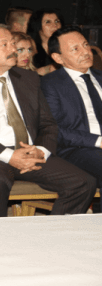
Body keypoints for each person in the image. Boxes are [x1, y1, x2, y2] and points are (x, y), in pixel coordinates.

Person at [0, 24, 96, 218]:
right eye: (4, 45)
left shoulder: (28, 78)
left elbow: (48, 124)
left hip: (30, 151)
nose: (13, 49)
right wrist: (10, 156)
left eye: (12, 43)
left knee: (83, 182)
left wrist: (41, 150)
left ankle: (56, 232)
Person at [41, 26, 102, 211]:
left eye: (85, 45)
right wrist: (98, 141)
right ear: (58, 58)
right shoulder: (50, 84)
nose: (85, 51)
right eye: (75, 49)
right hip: (75, 149)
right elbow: (54, 129)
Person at [28, 8, 63, 74]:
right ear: (38, 26)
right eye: (48, 22)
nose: (55, 25)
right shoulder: (30, 48)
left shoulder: (65, 46)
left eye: (57, 21)